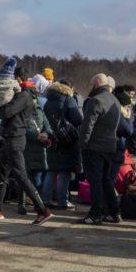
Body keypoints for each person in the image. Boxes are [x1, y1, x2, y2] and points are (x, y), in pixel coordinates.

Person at [0, 77, 53, 225]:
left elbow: (5, 112)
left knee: (21, 176)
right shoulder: (24, 95)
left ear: (20, 80)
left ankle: (43, 211)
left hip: (15, 140)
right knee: (1, 172)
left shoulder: (23, 96)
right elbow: (6, 113)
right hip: (11, 139)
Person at [78, 74, 122, 225]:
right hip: (110, 146)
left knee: (95, 181)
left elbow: (87, 126)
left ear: (96, 84)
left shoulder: (95, 100)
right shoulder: (114, 100)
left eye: (91, 84)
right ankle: (114, 211)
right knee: (106, 179)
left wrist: (82, 144)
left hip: (95, 146)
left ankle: (96, 213)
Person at [42, 79, 83, 210]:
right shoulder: (68, 100)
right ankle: (63, 201)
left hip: (52, 138)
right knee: (65, 172)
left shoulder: (48, 101)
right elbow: (78, 119)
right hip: (67, 140)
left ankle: (45, 199)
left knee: (52, 170)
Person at [23, 83, 53, 207]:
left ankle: (35, 200)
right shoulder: (23, 111)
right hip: (26, 149)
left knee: (38, 177)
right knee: (27, 177)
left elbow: (48, 127)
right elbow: (21, 130)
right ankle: (26, 200)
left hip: (40, 150)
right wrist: (36, 136)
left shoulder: (40, 110)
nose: (34, 100)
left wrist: (46, 133)